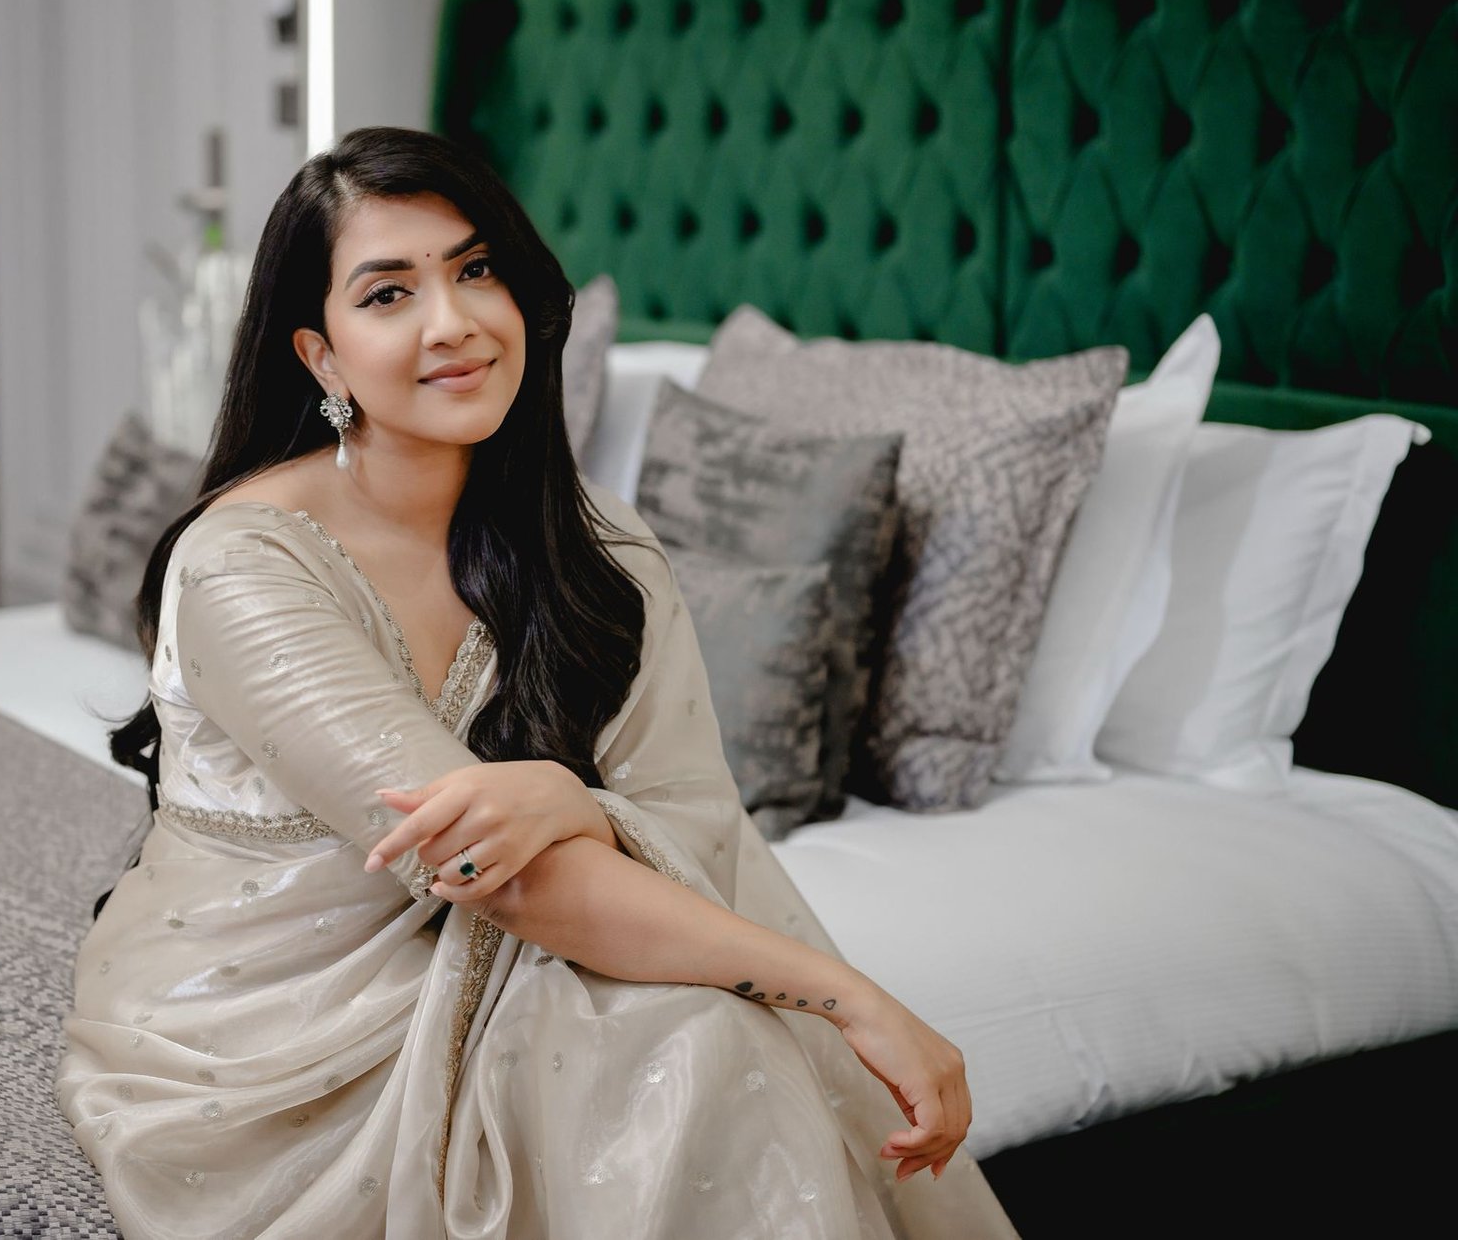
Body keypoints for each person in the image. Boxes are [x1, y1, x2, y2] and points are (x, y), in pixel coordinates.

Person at [55, 126, 1018, 1239]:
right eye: (388, 294)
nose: (453, 322)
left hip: (520, 942)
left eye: (476, 270)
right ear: (322, 358)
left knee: (702, 1042)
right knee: (699, 1051)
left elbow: (692, 818)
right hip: (265, 1018)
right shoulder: (246, 565)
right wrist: (848, 996)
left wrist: (573, 804)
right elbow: (485, 866)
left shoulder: (597, 547)